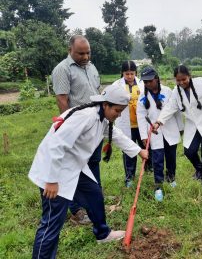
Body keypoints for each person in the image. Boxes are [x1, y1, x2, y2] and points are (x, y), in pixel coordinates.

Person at [29, 85, 149, 258]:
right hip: (53, 170)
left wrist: (139, 151)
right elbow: (55, 144)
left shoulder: (101, 118)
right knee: (52, 222)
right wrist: (52, 179)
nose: (119, 114)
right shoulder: (85, 117)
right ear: (106, 104)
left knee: (94, 195)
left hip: (73, 167)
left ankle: (103, 234)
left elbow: (115, 134)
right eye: (117, 110)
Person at [52, 35, 101, 224]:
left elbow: (96, 92)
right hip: (77, 127)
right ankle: (76, 209)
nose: (85, 56)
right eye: (81, 53)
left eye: (88, 52)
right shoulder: (62, 69)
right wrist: (69, 128)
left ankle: (95, 199)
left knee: (93, 163)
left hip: (94, 125)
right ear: (70, 50)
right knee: (76, 168)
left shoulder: (91, 67)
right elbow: (62, 99)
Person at [136, 67, 184, 201]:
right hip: (154, 132)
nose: (147, 84)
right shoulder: (142, 97)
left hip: (170, 129)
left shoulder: (168, 91)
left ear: (156, 78)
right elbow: (140, 116)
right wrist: (144, 136)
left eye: (150, 81)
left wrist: (181, 128)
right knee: (157, 160)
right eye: (145, 82)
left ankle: (171, 178)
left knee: (171, 157)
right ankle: (158, 185)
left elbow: (176, 111)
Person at [113, 61, 152, 188]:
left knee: (146, 148)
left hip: (141, 124)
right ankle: (129, 177)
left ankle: (149, 170)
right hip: (126, 125)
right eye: (126, 73)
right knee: (129, 151)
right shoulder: (116, 86)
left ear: (136, 73)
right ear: (122, 73)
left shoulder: (142, 84)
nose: (129, 76)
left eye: (132, 73)